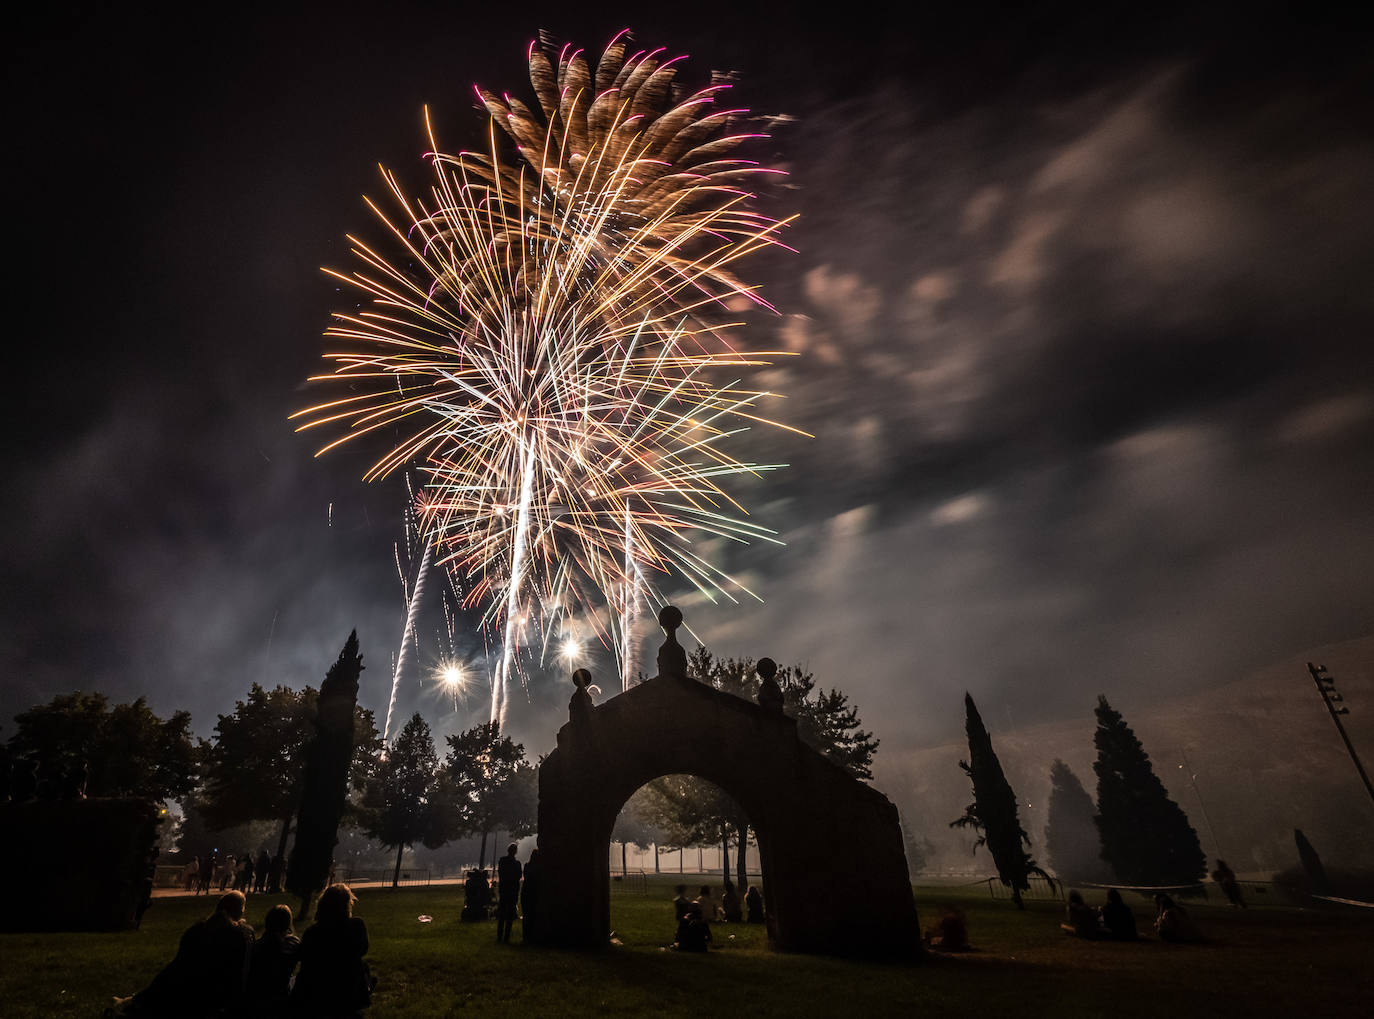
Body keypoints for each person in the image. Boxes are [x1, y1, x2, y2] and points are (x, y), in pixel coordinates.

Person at [109, 891, 254, 1017]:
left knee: (170, 975)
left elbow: (179, 964)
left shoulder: (199, 930)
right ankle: (134, 1002)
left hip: (192, 988)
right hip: (216, 994)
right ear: (240, 911)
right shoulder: (242, 934)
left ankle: (133, 1002)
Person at [292, 883, 374, 1016]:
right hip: (347, 990)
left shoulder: (313, 932)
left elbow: (303, 956)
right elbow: (363, 949)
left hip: (316, 991)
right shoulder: (356, 926)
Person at [244, 904, 299, 1017]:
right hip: (281, 996)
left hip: (258, 997)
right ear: (288, 924)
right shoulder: (293, 944)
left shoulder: (257, 946)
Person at [495, 842, 522, 943]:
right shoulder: (517, 864)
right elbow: (519, 876)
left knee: (502, 913)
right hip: (513, 890)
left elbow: (500, 872)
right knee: (510, 914)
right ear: (515, 852)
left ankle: (499, 935)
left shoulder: (502, 861)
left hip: (504, 889)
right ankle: (506, 936)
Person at [520, 848, 541, 941]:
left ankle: (526, 936)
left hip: (526, 891)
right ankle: (533, 935)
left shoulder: (527, 866)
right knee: (533, 914)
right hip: (534, 892)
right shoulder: (539, 868)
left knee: (526, 915)